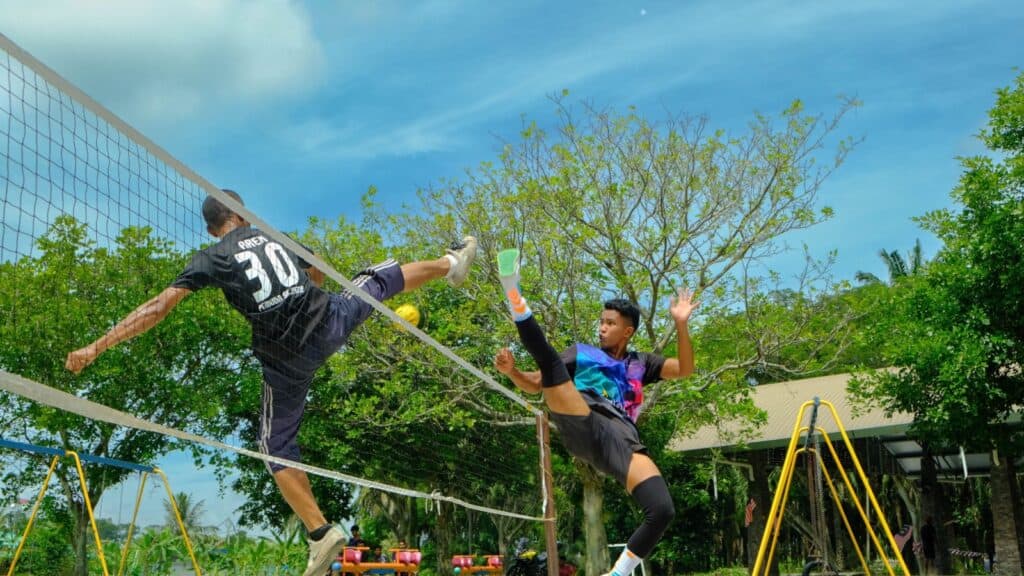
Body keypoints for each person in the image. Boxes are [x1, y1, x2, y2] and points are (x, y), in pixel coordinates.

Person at [64, 190, 477, 576]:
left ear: (212, 228)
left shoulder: (212, 256)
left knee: (277, 447)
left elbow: (158, 308)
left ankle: (319, 532)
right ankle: (450, 264)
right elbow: (315, 272)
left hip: (286, 359)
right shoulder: (276, 236)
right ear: (242, 215)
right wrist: (306, 300)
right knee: (377, 281)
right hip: (328, 322)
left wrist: (95, 347)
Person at [493, 250, 697, 576]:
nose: (602, 328)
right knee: (550, 362)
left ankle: (619, 573)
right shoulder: (582, 354)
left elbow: (686, 368)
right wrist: (513, 373)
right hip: (582, 417)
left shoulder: (642, 363)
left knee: (661, 509)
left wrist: (681, 324)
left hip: (621, 436)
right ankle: (513, 291)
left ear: (627, 331)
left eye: (610, 323)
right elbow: (536, 383)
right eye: (601, 322)